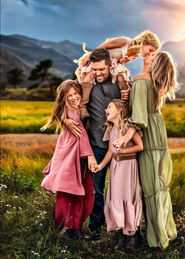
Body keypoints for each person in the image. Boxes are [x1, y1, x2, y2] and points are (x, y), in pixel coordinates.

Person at [113, 51, 178, 249]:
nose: (146, 56)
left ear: (154, 63)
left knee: (149, 186)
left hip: (147, 135)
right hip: (159, 132)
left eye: (151, 55)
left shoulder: (142, 81)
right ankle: (164, 230)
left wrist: (125, 136)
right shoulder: (157, 85)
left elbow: (140, 116)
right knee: (158, 185)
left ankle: (156, 238)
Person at [65, 48, 129, 239]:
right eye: (95, 69)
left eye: (101, 69)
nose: (98, 73)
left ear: (110, 65)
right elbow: (65, 102)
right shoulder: (83, 83)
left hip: (121, 146)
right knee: (95, 190)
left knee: (123, 189)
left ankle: (124, 229)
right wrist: (65, 120)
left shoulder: (122, 82)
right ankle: (96, 229)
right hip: (96, 146)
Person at [40, 79, 97, 239]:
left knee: (76, 191)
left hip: (75, 157)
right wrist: (91, 155)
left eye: (76, 93)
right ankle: (68, 228)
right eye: (69, 95)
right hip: (71, 158)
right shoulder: (70, 113)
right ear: (64, 98)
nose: (73, 97)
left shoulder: (76, 109)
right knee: (72, 192)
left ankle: (71, 227)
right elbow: (82, 134)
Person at [73, 31, 161, 119]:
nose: (149, 54)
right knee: (88, 78)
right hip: (100, 61)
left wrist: (122, 61)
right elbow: (104, 46)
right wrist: (91, 56)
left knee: (122, 77)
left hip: (113, 65)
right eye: (150, 50)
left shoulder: (135, 54)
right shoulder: (125, 41)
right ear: (145, 42)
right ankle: (83, 105)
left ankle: (123, 102)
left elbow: (120, 62)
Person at [92, 99, 143, 249]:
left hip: (128, 166)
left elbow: (140, 146)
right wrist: (101, 166)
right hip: (115, 166)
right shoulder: (110, 128)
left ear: (120, 110)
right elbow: (110, 151)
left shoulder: (129, 127)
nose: (106, 110)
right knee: (116, 197)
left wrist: (124, 150)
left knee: (128, 197)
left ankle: (133, 235)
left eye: (109, 107)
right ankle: (121, 233)